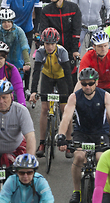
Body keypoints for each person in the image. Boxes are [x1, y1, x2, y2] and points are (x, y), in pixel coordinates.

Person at [56, 67, 110, 203]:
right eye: (84, 84)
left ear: (96, 82)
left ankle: (104, 190)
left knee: (100, 157)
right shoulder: (74, 97)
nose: (87, 86)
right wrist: (61, 136)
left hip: (100, 132)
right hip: (81, 132)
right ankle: (77, 191)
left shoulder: (105, 96)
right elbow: (66, 118)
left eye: (90, 83)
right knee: (79, 156)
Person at [30, 28, 73, 157]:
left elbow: (68, 74)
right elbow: (36, 73)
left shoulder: (62, 52)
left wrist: (71, 94)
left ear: (56, 43)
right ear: (43, 43)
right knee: (44, 108)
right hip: (47, 77)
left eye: (52, 44)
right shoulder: (40, 52)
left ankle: (69, 142)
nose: (49, 46)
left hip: (61, 77)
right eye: (47, 43)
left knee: (65, 109)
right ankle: (42, 142)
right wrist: (33, 91)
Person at [39, 0, 82, 74]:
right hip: (53, 47)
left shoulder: (73, 8)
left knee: (71, 75)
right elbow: (43, 30)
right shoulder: (46, 10)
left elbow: (76, 31)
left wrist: (75, 50)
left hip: (70, 47)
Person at [76, 31, 110, 106]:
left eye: (105, 45)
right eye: (100, 46)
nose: (103, 49)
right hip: (94, 87)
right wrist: (73, 99)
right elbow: (81, 80)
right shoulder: (88, 56)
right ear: (94, 47)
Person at [0, 80, 35, 168]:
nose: (1, 101)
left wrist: (30, 161)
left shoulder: (21, 111)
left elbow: (30, 137)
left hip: (16, 151)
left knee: (23, 178)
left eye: (4, 97)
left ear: (11, 96)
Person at [0, 9, 30, 86]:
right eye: (4, 22)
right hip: (1, 62)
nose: (6, 24)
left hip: (17, 63)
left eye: (9, 21)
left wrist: (27, 62)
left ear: (12, 22)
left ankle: (26, 90)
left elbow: (24, 47)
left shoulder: (19, 31)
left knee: (17, 85)